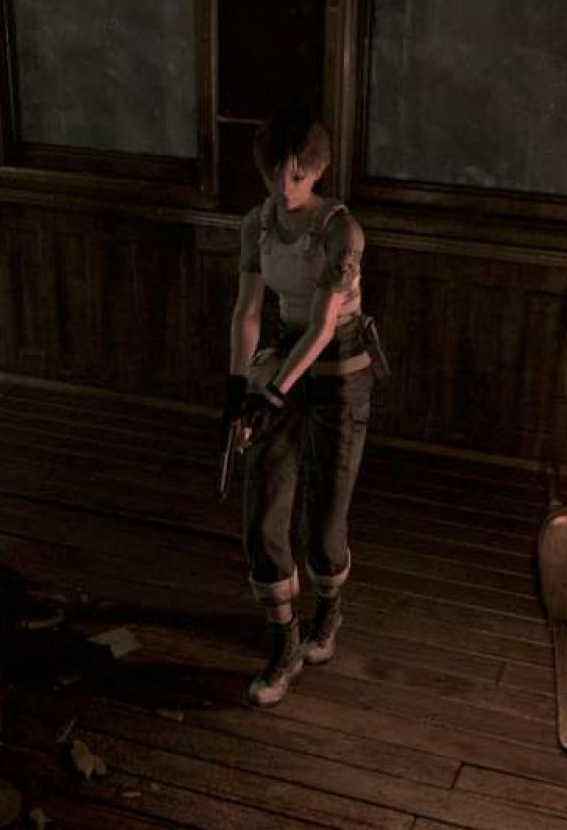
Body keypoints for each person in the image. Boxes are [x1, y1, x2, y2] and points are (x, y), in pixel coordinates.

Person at [224, 109, 376, 707]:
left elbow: (321, 328)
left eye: (297, 177)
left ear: (317, 172)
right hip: (283, 363)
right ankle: (283, 643)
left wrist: (271, 394)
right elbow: (247, 312)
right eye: (274, 176)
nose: (284, 190)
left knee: (325, 519)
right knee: (264, 507)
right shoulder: (257, 225)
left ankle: (328, 612)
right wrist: (239, 391)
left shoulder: (341, 231)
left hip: (338, 372)